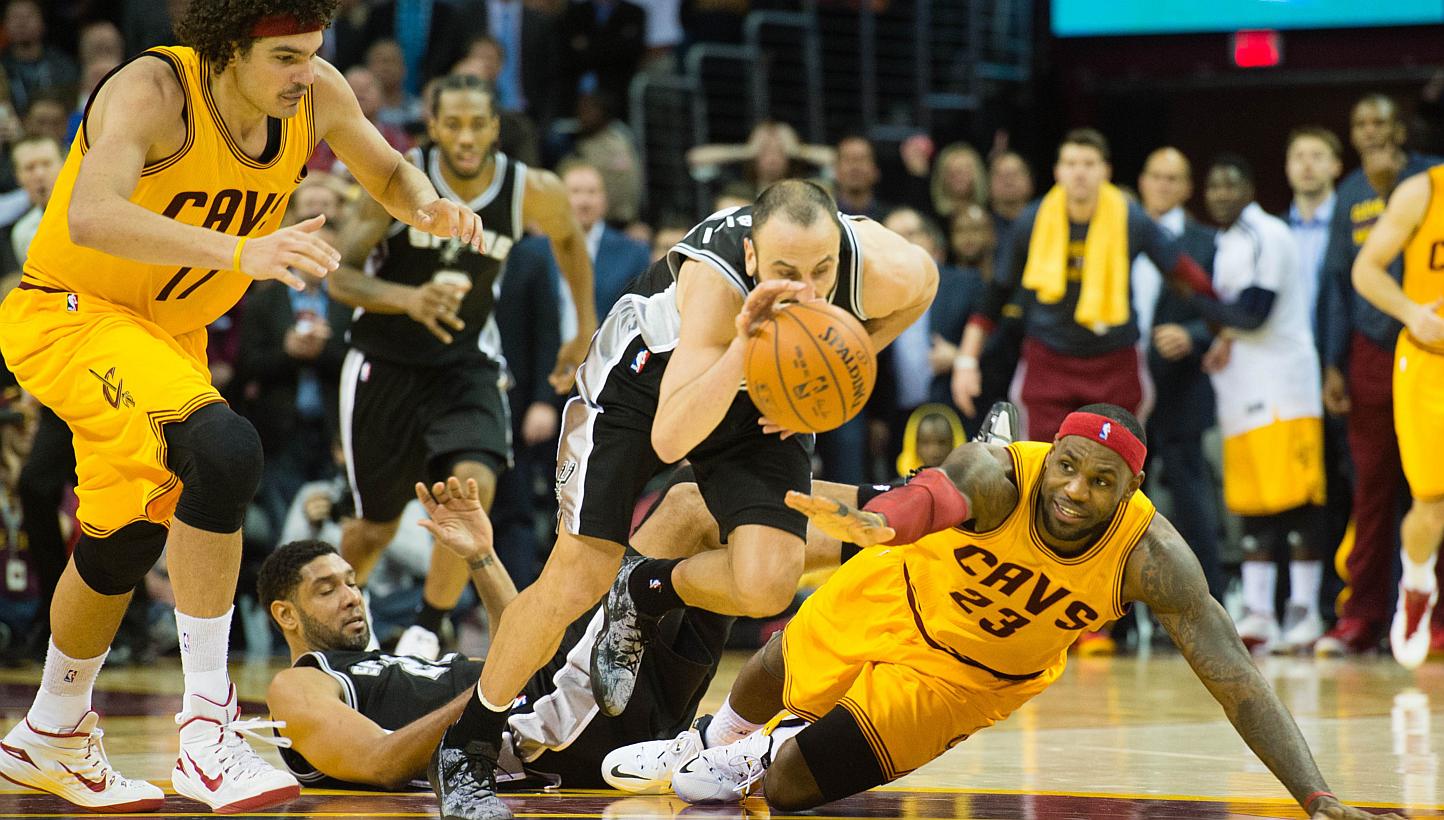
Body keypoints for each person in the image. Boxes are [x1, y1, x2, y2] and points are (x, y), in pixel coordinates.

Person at [0, 3, 485, 813]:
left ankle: (51, 728)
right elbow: (91, 212)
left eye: (313, 55)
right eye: (286, 58)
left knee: (125, 538)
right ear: (226, 50)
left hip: (166, 335)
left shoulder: (317, 93)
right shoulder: (153, 90)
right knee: (223, 451)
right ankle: (206, 724)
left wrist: (427, 204)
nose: (306, 74)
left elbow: (390, 171)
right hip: (71, 311)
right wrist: (242, 253)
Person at [604, 404, 1397, 820]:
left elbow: (1241, 683)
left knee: (791, 788)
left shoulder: (1151, 556)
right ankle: (709, 743)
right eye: (1068, 469)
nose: (1075, 492)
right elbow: (937, 492)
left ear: (1130, 494)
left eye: (1101, 484)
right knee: (775, 662)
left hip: (970, 678)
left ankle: (766, 752)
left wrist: (1318, 798)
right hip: (904, 589)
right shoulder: (1000, 471)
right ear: (1048, 455)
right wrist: (892, 519)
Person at [427, 180, 937, 819]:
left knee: (767, 585)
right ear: (752, 257)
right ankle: (466, 744)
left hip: (755, 389)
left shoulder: (881, 263)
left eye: (820, 272)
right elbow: (671, 436)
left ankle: (646, 592)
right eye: (784, 272)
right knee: (576, 576)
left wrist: (835, 360)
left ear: (840, 251)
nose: (804, 289)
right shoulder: (714, 284)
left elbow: (924, 287)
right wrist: (747, 353)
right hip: (645, 384)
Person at [329, 73, 595, 661]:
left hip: (465, 362)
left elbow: (570, 241)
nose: (467, 136)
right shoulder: (397, 179)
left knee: (469, 489)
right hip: (386, 362)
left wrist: (582, 324)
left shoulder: (530, 188)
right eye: (454, 123)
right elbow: (338, 275)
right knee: (373, 529)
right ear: (434, 128)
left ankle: (426, 629)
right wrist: (407, 299)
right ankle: (335, 627)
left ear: (496, 127)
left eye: (478, 123)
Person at [261, 475, 732, 793]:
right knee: (688, 505)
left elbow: (522, 645)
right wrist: (488, 697)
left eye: (351, 582)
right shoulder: (299, 684)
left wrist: (481, 556)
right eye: (327, 589)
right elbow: (380, 761)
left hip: (587, 703)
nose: (351, 596)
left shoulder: (381, 664)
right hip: (554, 722)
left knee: (730, 543)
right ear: (285, 614)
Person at [952, 129, 1216, 439]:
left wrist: (1221, 329)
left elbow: (1187, 275)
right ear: (1058, 171)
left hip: (1115, 361)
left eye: (1089, 164)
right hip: (1048, 360)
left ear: (1106, 170)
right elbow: (995, 294)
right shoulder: (1032, 219)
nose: (1080, 172)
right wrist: (966, 362)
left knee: (1119, 464)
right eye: (1072, 163)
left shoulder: (1132, 218)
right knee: (1041, 464)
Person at [1318, 95, 1444, 657]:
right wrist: (1410, 314)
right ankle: (1390, 599)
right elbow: (1353, 277)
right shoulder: (1403, 190)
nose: (1370, 131)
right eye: (1360, 121)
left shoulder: (1419, 179)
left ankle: (1426, 607)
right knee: (1401, 495)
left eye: (1379, 122)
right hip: (1406, 353)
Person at [1196, 155, 1326, 655]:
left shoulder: (1267, 235)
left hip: (1283, 391)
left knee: (1296, 501)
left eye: (1232, 183)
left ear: (1250, 188)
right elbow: (1230, 319)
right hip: (1238, 392)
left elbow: (1253, 313)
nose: (1222, 194)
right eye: (1214, 185)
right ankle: (1260, 612)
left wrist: (1190, 294)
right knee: (1252, 508)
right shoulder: (1224, 242)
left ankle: (1305, 609)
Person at [1351, 155, 1444, 667]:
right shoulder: (1424, 192)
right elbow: (1366, 270)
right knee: (1432, 504)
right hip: (1430, 364)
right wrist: (1410, 311)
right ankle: (1418, 582)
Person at [1132, 147, 1223, 605]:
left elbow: (1223, 308)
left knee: (1192, 504)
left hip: (1183, 385)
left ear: (1188, 188)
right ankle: (1117, 620)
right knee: (1122, 506)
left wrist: (1191, 333)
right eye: (1156, 176)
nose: (1164, 185)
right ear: (1142, 181)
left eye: (1174, 178)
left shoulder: (1206, 243)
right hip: (1125, 386)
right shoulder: (1120, 236)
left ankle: (1206, 605)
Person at [562, 161, 650, 320]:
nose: (584, 202)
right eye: (575, 192)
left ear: (605, 200)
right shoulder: (535, 252)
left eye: (592, 192)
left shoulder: (633, 253)